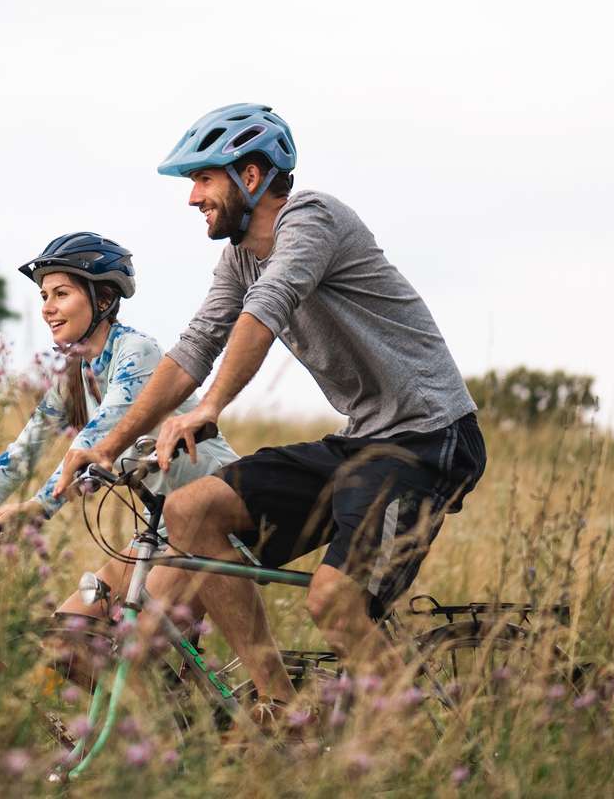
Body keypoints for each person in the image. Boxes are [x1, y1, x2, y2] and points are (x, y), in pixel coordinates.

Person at [53, 104, 485, 712]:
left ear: (250, 177)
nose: (192, 197)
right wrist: (106, 444)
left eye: (203, 179)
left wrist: (211, 408)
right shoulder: (238, 257)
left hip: (430, 441)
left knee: (334, 601)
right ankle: (282, 711)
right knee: (193, 508)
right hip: (363, 441)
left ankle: (419, 753)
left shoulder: (315, 219)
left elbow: (267, 309)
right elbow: (196, 346)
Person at [0, 231, 239, 624]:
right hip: (161, 530)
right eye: (44, 297)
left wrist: (36, 508)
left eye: (61, 293)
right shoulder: (75, 376)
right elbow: (19, 455)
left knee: (128, 648)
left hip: (215, 513)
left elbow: (96, 438)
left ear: (103, 299)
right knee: (69, 642)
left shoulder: (138, 353)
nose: (48, 308)